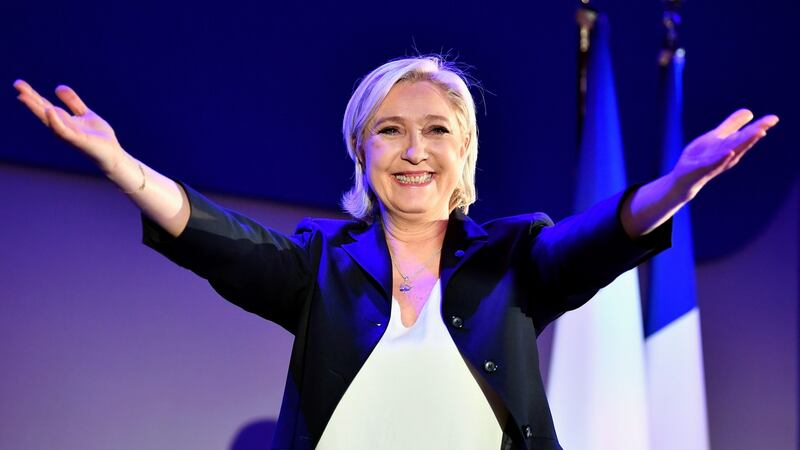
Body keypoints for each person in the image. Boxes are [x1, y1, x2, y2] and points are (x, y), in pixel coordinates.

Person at [13, 56, 778, 450]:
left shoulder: (515, 258)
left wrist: (681, 181)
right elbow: (220, 241)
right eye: (389, 130)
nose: (414, 150)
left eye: (437, 129)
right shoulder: (318, 266)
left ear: (466, 152)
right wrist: (122, 167)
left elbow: (603, 236)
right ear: (360, 151)